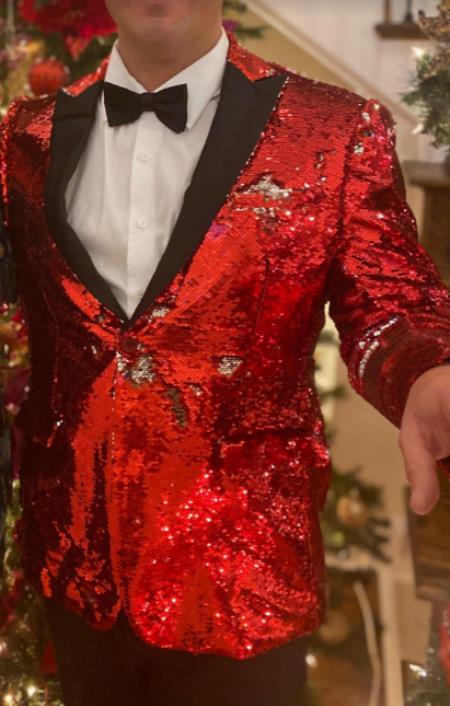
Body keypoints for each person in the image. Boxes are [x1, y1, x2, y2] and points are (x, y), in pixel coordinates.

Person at [1, 1, 450, 704]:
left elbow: (389, 304)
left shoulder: (336, 128)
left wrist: (423, 372)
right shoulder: (21, 136)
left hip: (244, 571)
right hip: (76, 558)